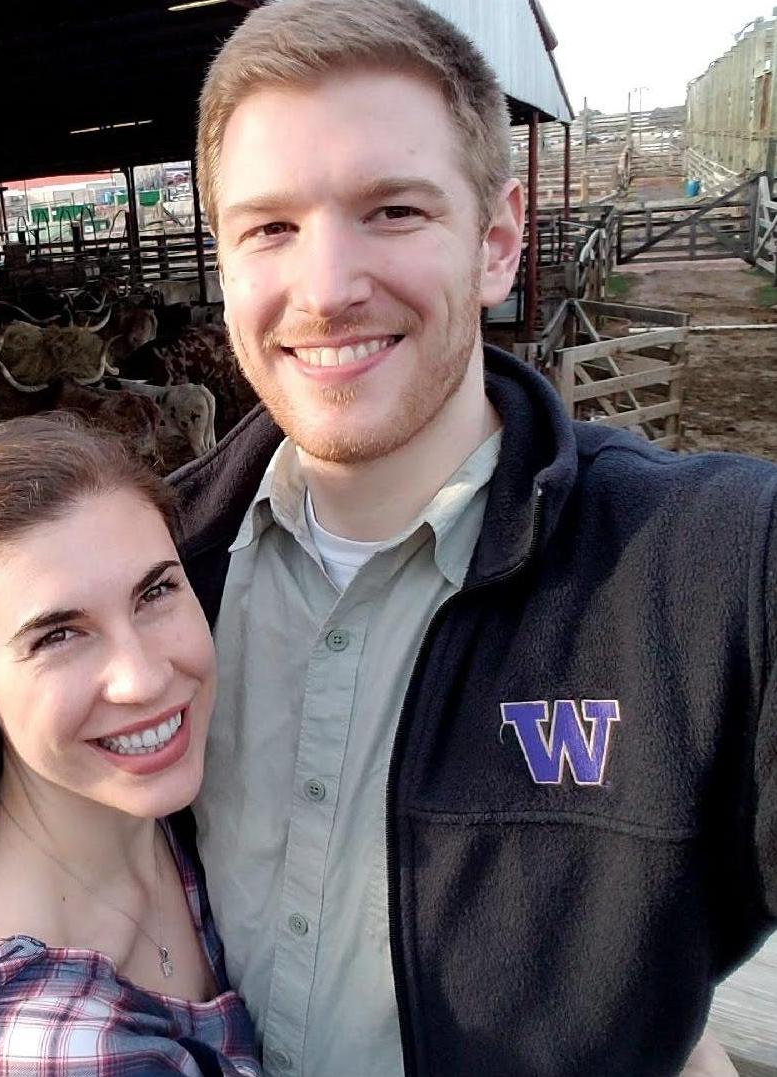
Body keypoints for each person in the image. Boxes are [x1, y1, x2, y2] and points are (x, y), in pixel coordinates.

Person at [169, 1, 777, 1075]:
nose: (326, 289)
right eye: (269, 227)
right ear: (223, 264)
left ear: (496, 244)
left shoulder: (718, 566)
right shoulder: (161, 578)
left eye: (393, 211)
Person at [0, 414, 260, 1077]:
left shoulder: (151, 810)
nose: (143, 677)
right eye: (57, 635)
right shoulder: (39, 1044)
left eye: (155, 590)